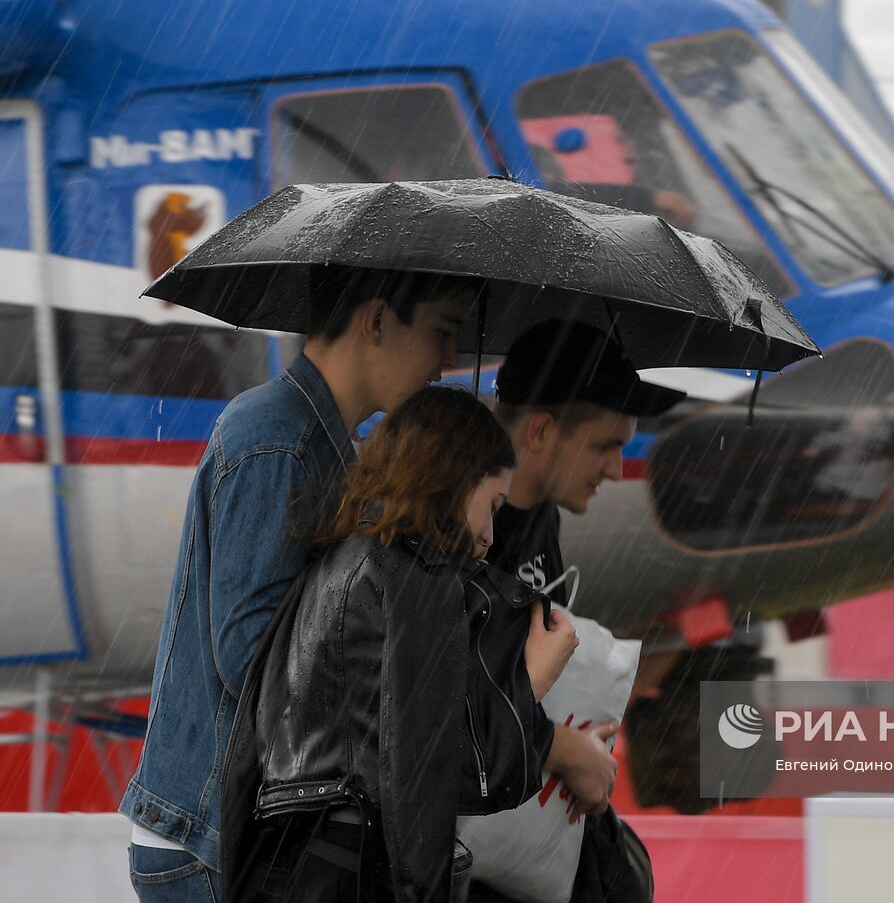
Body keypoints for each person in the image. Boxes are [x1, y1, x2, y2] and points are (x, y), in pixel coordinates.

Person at [120, 267, 475, 901]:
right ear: (375, 320)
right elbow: (252, 658)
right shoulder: (280, 443)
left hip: (231, 831)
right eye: (441, 331)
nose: (449, 358)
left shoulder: (324, 443)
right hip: (211, 840)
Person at [221, 386, 577, 902]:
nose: (491, 536)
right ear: (455, 483)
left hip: (289, 859)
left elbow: (255, 747)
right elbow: (432, 772)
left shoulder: (339, 559)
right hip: (356, 868)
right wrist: (531, 681)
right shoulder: (418, 579)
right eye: (492, 504)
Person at [475, 320, 687, 902]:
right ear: (540, 430)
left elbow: (524, 680)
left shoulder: (540, 516)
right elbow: (438, 701)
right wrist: (561, 749)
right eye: (605, 445)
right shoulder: (458, 530)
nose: (617, 470)